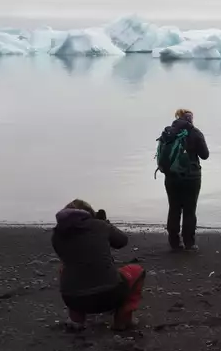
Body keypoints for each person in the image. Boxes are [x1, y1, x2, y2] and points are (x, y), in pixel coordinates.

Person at [51, 199, 146, 330]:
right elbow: (122, 241)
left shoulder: (57, 234)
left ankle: (76, 320)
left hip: (73, 300)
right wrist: (105, 224)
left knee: (67, 268)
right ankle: (123, 319)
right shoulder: (99, 226)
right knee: (138, 271)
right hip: (110, 294)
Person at [158, 108, 209, 251]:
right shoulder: (195, 133)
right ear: (190, 119)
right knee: (189, 210)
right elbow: (205, 155)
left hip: (171, 177)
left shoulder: (168, 133)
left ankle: (174, 242)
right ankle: (189, 243)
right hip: (191, 177)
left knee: (174, 208)